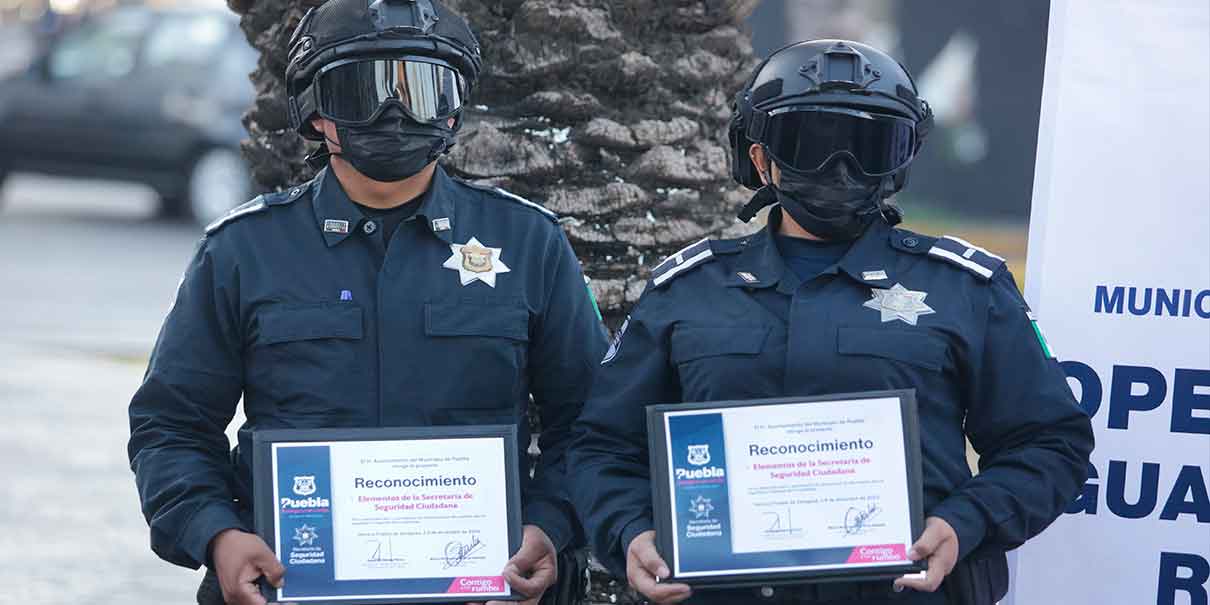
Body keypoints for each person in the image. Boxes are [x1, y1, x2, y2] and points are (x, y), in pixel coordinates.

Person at [568, 40, 1093, 605]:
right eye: (808, 143)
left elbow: (1049, 443)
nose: (838, 170)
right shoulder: (686, 290)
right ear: (759, 157)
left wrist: (965, 523)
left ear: (902, 161)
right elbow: (602, 446)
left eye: (868, 145)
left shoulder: (966, 287)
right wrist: (632, 532)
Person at [127, 1, 606, 604]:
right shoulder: (243, 251)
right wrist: (217, 536)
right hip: (287, 586)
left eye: (422, 90)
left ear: (454, 110)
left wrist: (550, 527)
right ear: (316, 114)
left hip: (488, 590)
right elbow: (169, 424)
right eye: (363, 91)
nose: (395, 112)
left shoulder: (529, 243)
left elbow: (592, 422)